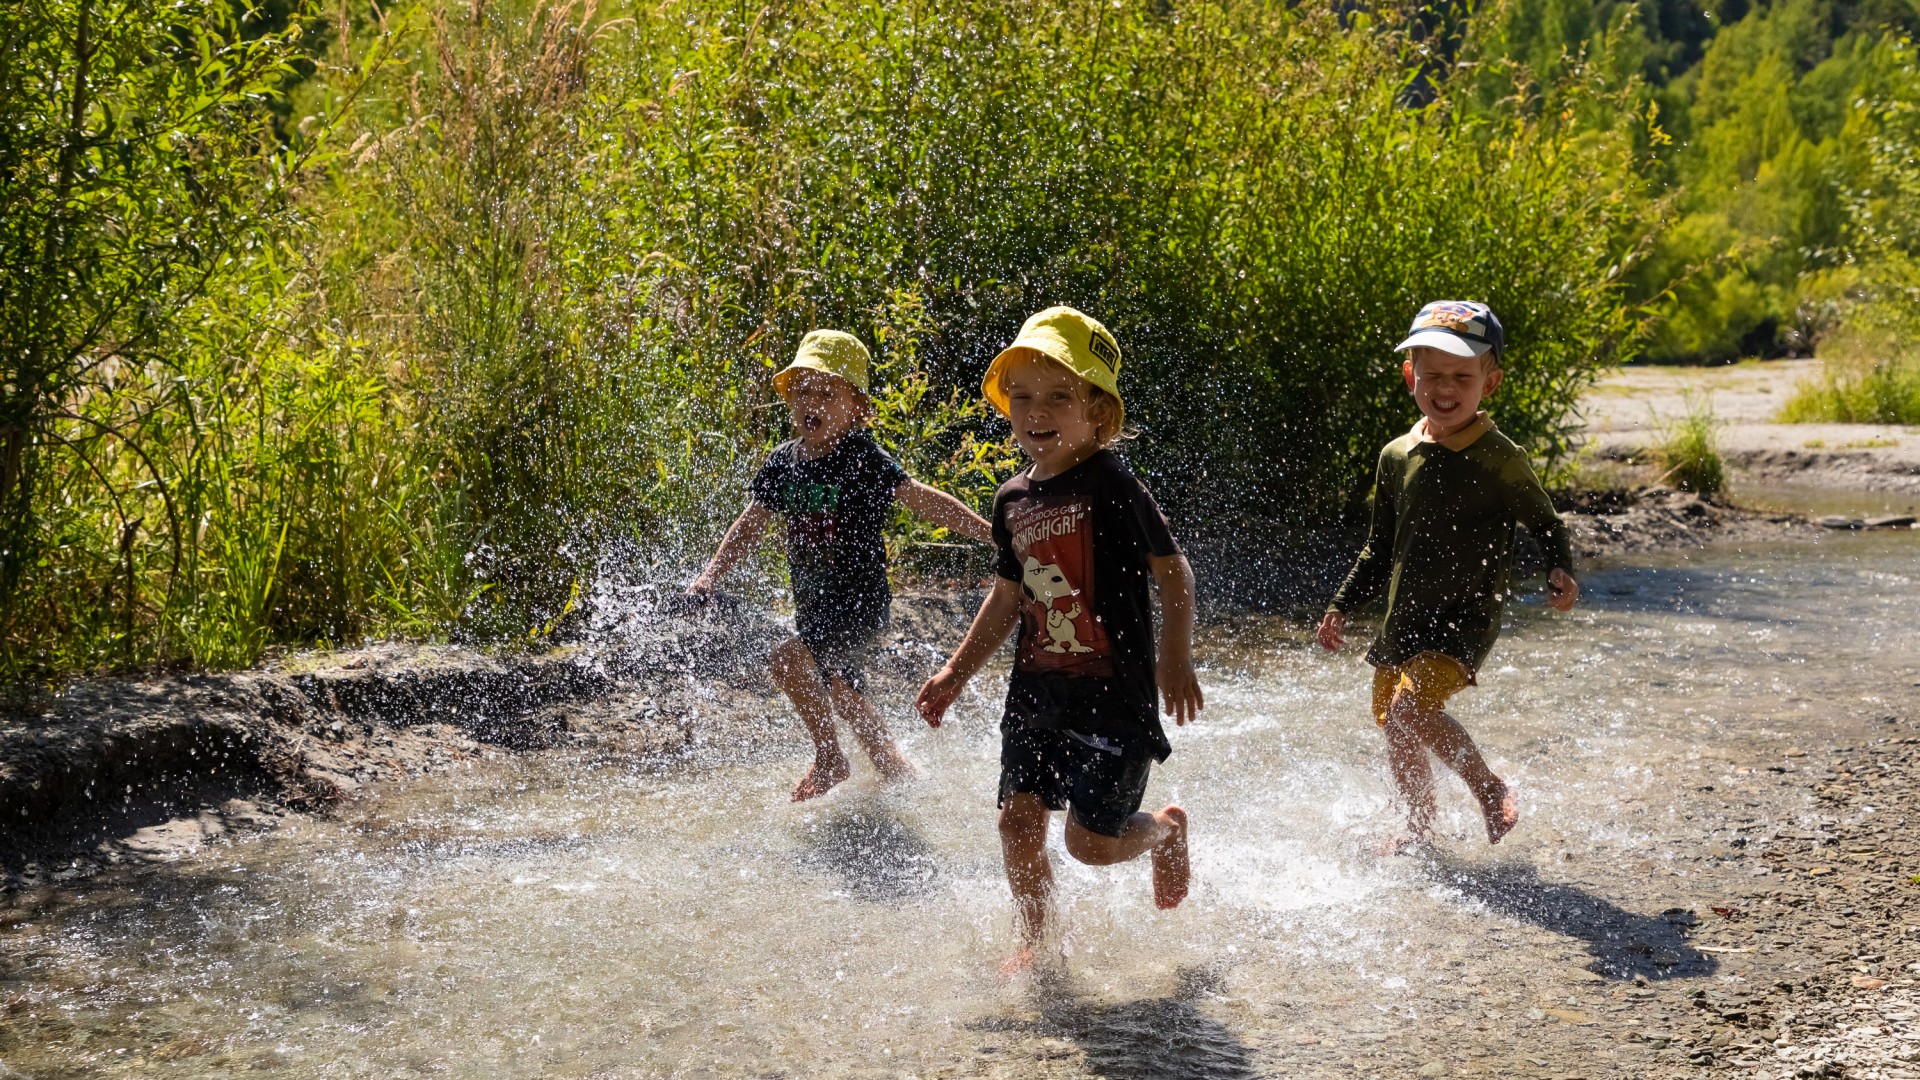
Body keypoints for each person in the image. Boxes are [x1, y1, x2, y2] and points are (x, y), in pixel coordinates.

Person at [914, 306, 1203, 973]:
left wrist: (1175, 656)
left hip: (1114, 698)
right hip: (1037, 693)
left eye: (1058, 396)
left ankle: (1162, 833)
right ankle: (1040, 942)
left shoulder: (1113, 482)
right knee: (1017, 824)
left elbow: (1173, 568)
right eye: (1021, 397)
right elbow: (1007, 596)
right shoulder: (1012, 499)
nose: (1035, 411)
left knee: (1089, 845)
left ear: (1098, 412)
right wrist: (956, 674)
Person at [1317, 301, 1579, 850]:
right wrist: (1343, 603)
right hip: (1403, 615)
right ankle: (1418, 829)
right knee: (1396, 726)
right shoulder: (1397, 456)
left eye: (1463, 375)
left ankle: (1487, 786)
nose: (1446, 388)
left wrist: (1560, 569)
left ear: (1491, 382)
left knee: (1415, 710)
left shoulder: (1499, 457)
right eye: (1432, 374)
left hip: (1465, 615)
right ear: (1411, 376)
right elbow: (1379, 547)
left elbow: (1545, 522)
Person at [691, 330, 993, 802]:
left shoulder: (861, 457)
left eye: (828, 393)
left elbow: (922, 500)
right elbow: (750, 524)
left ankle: (830, 757)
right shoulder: (782, 464)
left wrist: (989, 531)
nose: (812, 401)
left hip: (860, 603)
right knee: (844, 694)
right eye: (803, 391)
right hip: (815, 604)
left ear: (858, 408)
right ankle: (902, 773)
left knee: (787, 658)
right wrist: (711, 574)